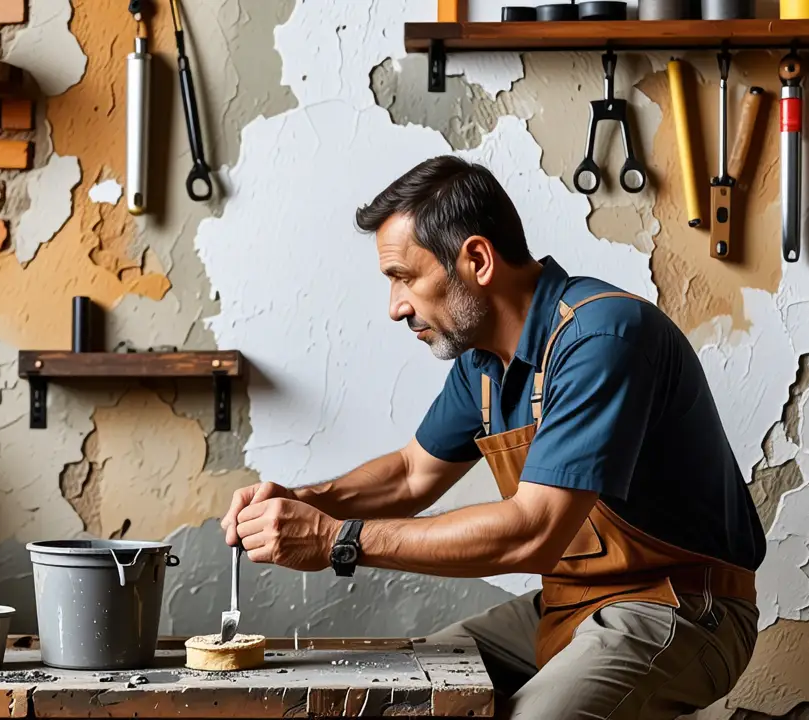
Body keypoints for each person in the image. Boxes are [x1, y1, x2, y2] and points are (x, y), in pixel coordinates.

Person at [221, 155, 766, 719]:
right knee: (407, 696)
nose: (395, 308)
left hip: (683, 606)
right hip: (566, 605)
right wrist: (302, 502)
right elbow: (413, 473)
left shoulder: (601, 337)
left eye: (404, 278)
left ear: (477, 259)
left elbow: (532, 533)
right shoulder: (482, 362)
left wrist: (340, 540)